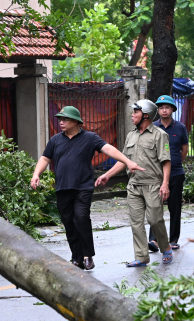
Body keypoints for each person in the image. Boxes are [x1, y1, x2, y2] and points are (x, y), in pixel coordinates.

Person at [30, 106, 144, 271]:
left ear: (76, 121)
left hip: (82, 187)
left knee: (81, 217)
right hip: (62, 188)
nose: (61, 122)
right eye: (60, 119)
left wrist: (128, 161)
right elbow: (45, 158)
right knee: (69, 223)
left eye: (65, 119)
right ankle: (77, 258)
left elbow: (108, 149)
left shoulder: (90, 138)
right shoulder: (55, 140)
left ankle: (87, 255)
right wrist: (36, 174)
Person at [95, 99, 173, 267]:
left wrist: (165, 184)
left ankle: (165, 247)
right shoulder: (131, 135)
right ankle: (142, 256)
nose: (132, 115)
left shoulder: (160, 135)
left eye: (136, 112)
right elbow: (123, 160)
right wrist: (107, 175)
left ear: (145, 115)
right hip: (134, 185)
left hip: (153, 184)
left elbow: (166, 161)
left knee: (154, 220)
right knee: (136, 222)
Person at [147, 95, 188, 253]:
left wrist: (175, 163)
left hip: (176, 173)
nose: (164, 110)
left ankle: (173, 240)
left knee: (174, 207)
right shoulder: (153, 127)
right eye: (161, 107)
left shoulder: (180, 127)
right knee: (155, 206)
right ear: (158, 110)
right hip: (156, 173)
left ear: (172, 110)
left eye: (167, 107)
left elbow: (184, 148)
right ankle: (154, 240)